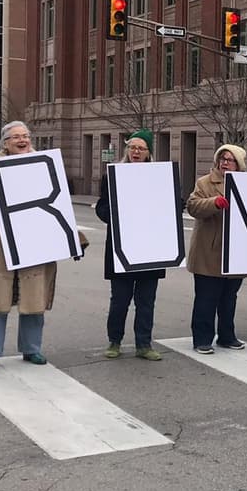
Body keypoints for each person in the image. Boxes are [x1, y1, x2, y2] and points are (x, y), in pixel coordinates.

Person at [0, 121, 78, 373]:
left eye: (25, 136)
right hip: (0, 247)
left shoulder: (42, 164)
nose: (22, 140)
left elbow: (57, 206)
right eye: (16, 136)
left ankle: (31, 348)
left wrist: (71, 238)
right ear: (5, 142)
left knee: (33, 299)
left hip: (35, 244)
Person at [95, 130, 167, 361]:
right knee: (120, 300)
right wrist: (115, 217)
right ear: (127, 150)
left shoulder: (159, 177)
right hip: (122, 249)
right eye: (132, 147)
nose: (136, 152)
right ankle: (114, 341)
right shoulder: (112, 175)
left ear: (148, 153)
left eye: (141, 148)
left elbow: (172, 203)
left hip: (150, 248)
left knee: (146, 301)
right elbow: (102, 207)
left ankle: (144, 344)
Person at [186, 144, 247, 353]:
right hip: (209, 252)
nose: (225, 163)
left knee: (229, 299)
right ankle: (202, 339)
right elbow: (193, 206)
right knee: (206, 298)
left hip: (235, 252)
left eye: (230, 160)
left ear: (238, 164)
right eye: (222, 159)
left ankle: (226, 336)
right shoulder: (205, 183)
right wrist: (214, 202)